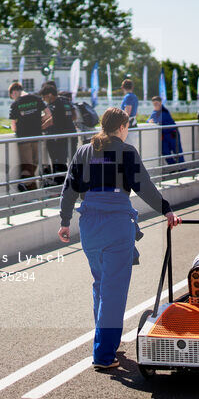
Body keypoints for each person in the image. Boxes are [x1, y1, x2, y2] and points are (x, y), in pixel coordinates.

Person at [58, 107, 181, 369]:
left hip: (89, 224)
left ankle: (105, 342)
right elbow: (144, 186)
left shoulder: (84, 150)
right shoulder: (126, 152)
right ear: (122, 127)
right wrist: (166, 210)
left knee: (101, 285)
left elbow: (69, 188)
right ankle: (103, 355)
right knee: (114, 292)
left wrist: (65, 221)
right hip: (116, 224)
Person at [8, 81, 45, 190]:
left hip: (24, 137)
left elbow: (13, 124)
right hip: (37, 135)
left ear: (14, 92)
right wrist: (38, 121)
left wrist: (16, 129)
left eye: (12, 96)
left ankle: (28, 186)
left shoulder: (16, 104)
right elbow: (48, 114)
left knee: (27, 164)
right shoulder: (36, 99)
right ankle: (31, 186)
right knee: (34, 163)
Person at [40, 82, 78, 186]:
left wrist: (41, 128)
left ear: (49, 95)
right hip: (72, 135)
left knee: (59, 161)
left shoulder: (55, 104)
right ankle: (72, 183)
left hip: (61, 137)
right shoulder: (65, 100)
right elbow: (74, 116)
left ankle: (61, 185)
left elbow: (52, 120)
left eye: (44, 97)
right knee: (72, 161)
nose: (43, 99)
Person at [148, 96, 184, 163]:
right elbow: (149, 120)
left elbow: (156, 120)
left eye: (157, 103)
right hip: (165, 136)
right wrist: (149, 121)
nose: (155, 105)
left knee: (178, 153)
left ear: (161, 103)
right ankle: (173, 167)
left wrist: (151, 121)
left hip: (173, 135)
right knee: (165, 152)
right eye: (154, 104)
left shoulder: (164, 112)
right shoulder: (155, 112)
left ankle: (182, 169)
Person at [120, 78, 139, 148]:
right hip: (134, 125)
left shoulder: (128, 97)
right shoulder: (135, 97)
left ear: (123, 87)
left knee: (127, 150)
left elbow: (127, 112)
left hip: (128, 127)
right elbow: (136, 113)